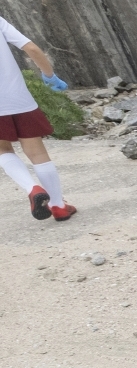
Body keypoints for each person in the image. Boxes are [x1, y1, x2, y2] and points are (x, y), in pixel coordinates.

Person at [0, 16, 74, 222]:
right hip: (19, 98)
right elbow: (31, 48)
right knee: (37, 151)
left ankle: (32, 189)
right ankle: (58, 205)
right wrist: (49, 75)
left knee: (3, 150)